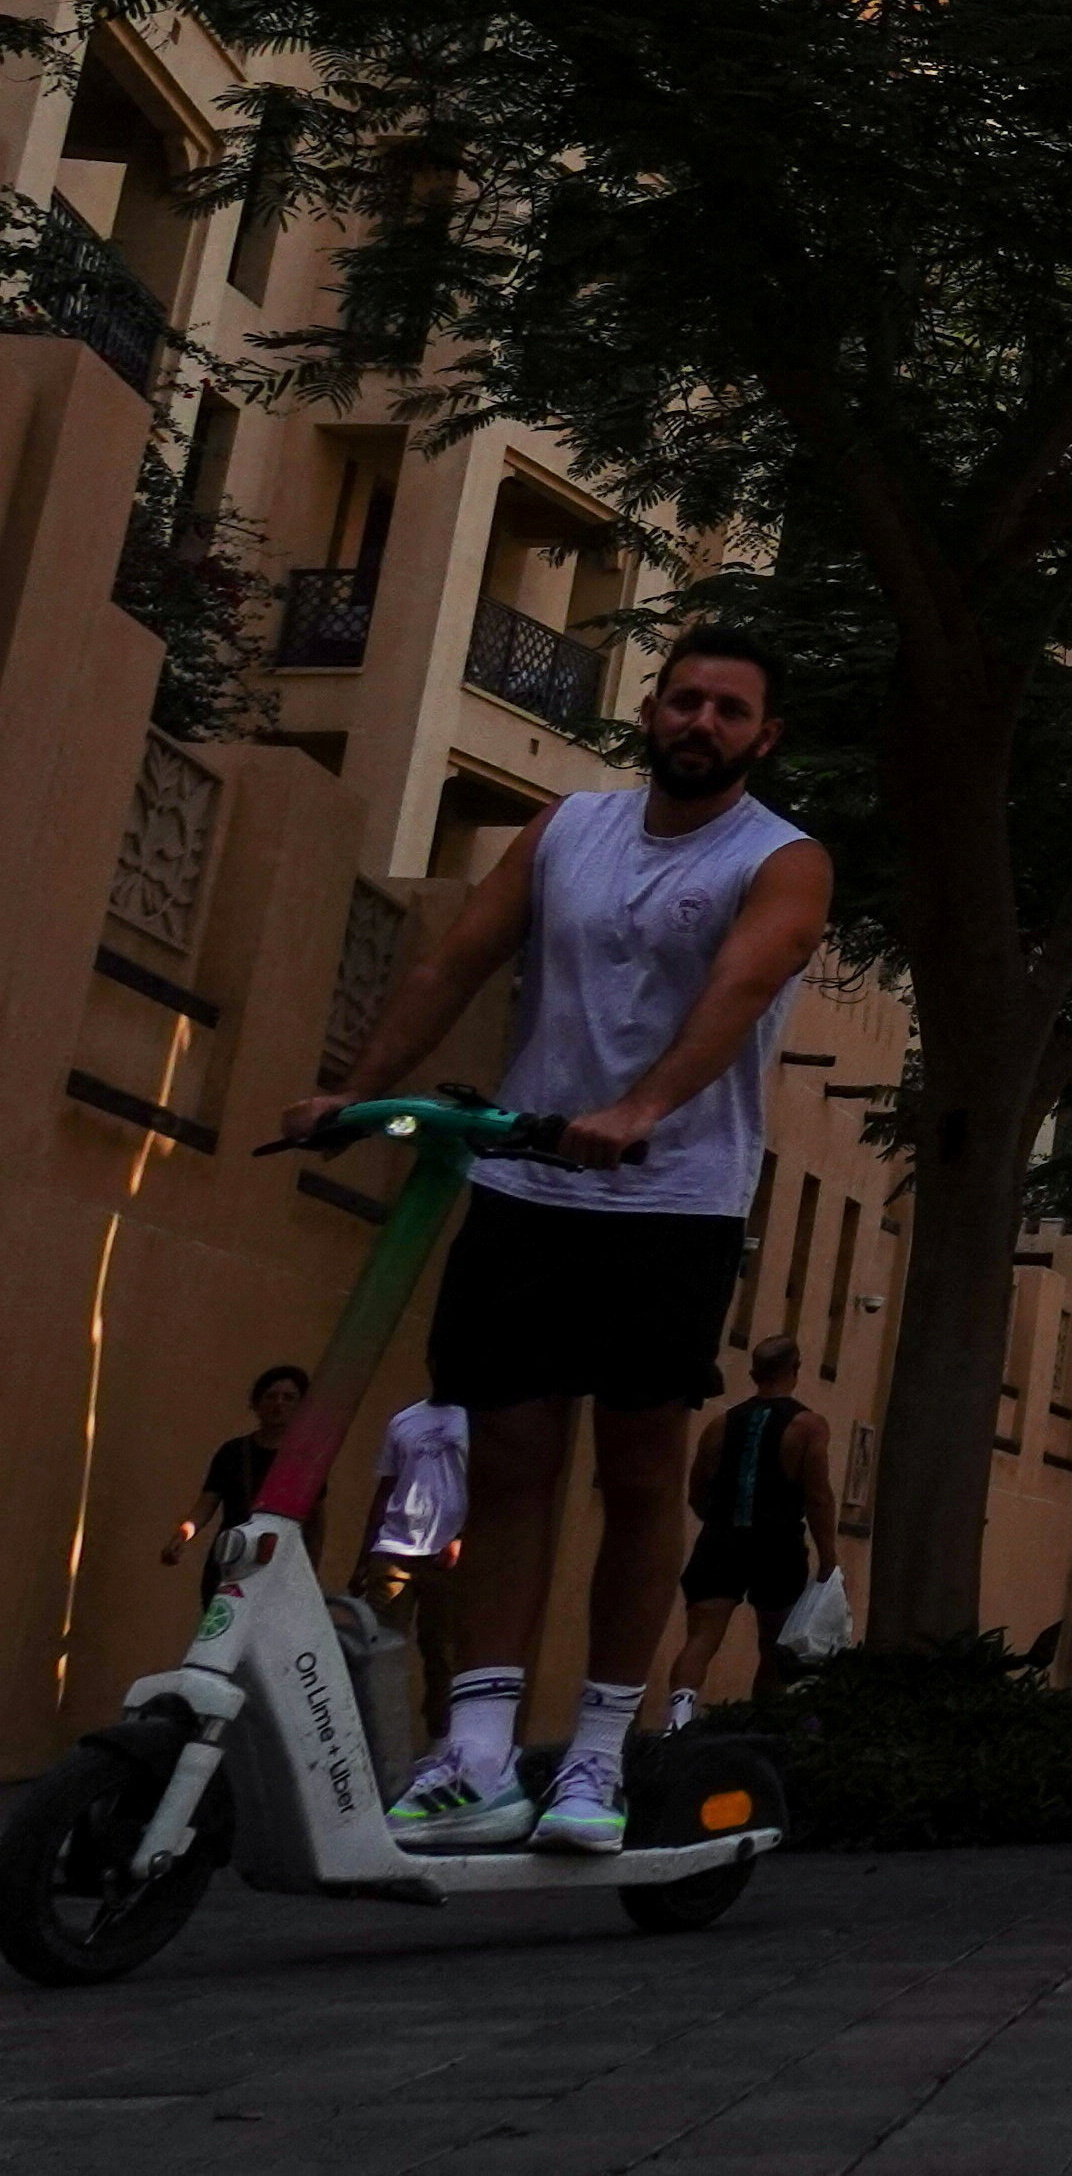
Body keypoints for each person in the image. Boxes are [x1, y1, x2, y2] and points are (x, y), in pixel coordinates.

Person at [295, 629, 831, 1855]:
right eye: (684, 699)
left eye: (729, 709)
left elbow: (742, 989)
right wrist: (352, 1091)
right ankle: (479, 1749)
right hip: (524, 1184)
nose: (700, 722)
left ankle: (597, 1750)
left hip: (671, 1200)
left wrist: (641, 1109)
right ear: (650, 709)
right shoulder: (565, 830)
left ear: (763, 736)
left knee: (638, 1476)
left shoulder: (781, 859)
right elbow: (453, 962)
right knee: (510, 1464)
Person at [657, 1335, 832, 1727]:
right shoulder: (808, 1427)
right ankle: (763, 1723)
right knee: (774, 1646)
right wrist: (828, 1558)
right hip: (778, 1544)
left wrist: (718, 1520)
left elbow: (697, 1490)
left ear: (753, 1374)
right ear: (796, 1370)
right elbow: (818, 1497)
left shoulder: (720, 1424)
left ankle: (678, 1720)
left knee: (700, 1639)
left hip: (721, 1540)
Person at [170, 1365, 321, 1564]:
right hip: (232, 1557)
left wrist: (311, 1567)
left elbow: (315, 1520)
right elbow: (205, 1505)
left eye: (288, 1398)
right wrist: (182, 1536)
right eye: (271, 1396)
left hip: (280, 1563)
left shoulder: (305, 1459)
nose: (278, 1403)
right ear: (257, 1403)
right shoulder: (232, 1452)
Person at [358, 1392, 469, 1620]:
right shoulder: (404, 1420)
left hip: (448, 1557)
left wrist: (462, 1537)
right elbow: (386, 1488)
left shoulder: (477, 1421)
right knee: (381, 1635)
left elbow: (489, 1488)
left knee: (441, 1639)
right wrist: (365, 1556)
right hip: (395, 1549)